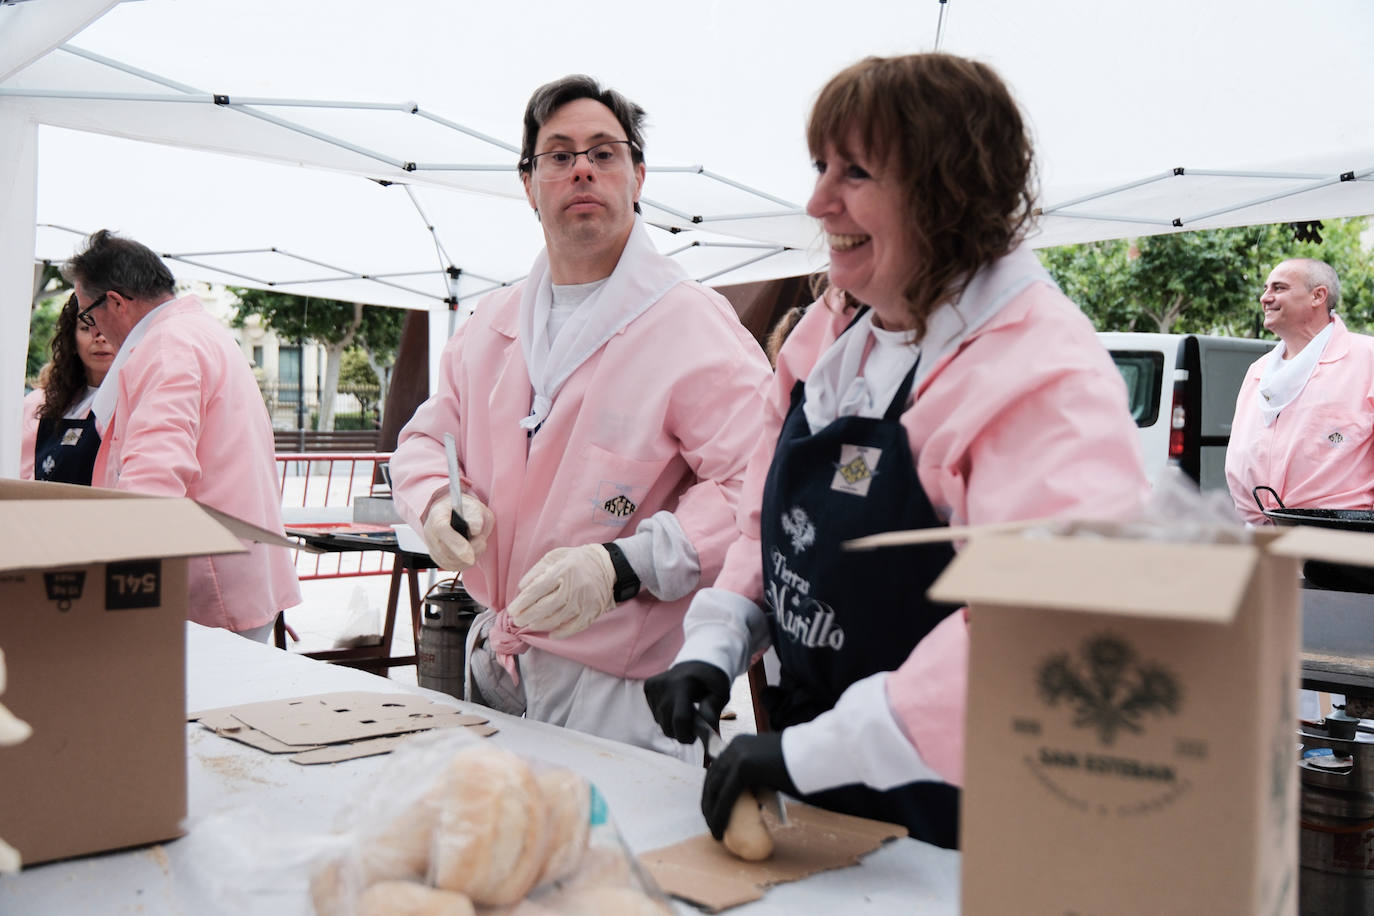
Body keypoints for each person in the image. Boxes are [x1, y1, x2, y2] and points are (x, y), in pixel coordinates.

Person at [644, 54, 1149, 849]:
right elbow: (764, 531)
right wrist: (716, 641)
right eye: (819, 166)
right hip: (822, 786)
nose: (816, 201)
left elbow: (1033, 627)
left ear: (947, 192)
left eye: (856, 171)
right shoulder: (831, 331)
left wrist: (809, 754)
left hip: (960, 816)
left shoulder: (1038, 372)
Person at [390, 74, 772, 760]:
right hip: (501, 662)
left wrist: (624, 564)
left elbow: (757, 481)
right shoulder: (494, 323)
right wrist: (436, 502)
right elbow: (425, 437)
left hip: (621, 690)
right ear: (529, 183)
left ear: (638, 176)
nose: (582, 169)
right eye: (559, 155)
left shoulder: (690, 324)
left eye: (604, 151)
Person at [64, 231, 300, 641]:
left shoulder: (167, 345)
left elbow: (154, 476)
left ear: (115, 302)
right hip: (232, 567)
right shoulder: (198, 330)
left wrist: (115, 583)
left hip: (207, 585)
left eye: (88, 315)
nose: (94, 329)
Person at [1225, 258, 1374, 525]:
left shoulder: (1367, 358)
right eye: (1265, 288)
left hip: (1341, 542)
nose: (1265, 298)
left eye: (1278, 288)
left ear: (1318, 296)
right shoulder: (1258, 370)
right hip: (1262, 536)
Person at [19, 294, 116, 483]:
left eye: (109, 328)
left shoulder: (133, 403)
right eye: (86, 328)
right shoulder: (39, 402)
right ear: (71, 340)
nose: (100, 338)